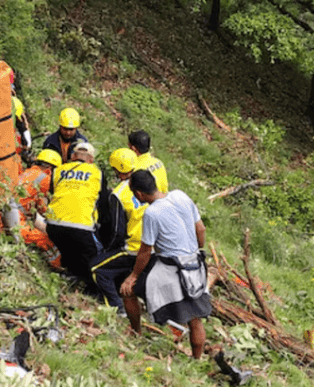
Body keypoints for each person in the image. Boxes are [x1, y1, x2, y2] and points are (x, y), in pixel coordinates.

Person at [119, 170, 211, 359]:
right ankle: (196, 360)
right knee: (196, 319)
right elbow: (200, 228)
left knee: (128, 291)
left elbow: (145, 250)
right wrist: (195, 249)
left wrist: (133, 276)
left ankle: (136, 332)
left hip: (171, 267)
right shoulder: (180, 195)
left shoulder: (151, 213)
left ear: (139, 194)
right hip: (195, 265)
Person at [45, 142, 106, 295]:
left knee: (68, 249)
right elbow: (103, 201)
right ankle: (92, 291)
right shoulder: (97, 173)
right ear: (91, 160)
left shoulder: (59, 170)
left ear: (72, 157)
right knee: (96, 256)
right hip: (82, 227)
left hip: (53, 225)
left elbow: (52, 192)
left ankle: (69, 275)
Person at [90, 148, 145, 314]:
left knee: (97, 269)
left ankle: (116, 307)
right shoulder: (147, 181)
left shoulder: (118, 194)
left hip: (133, 247)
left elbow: (116, 230)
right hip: (153, 245)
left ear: (116, 170)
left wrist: (107, 248)